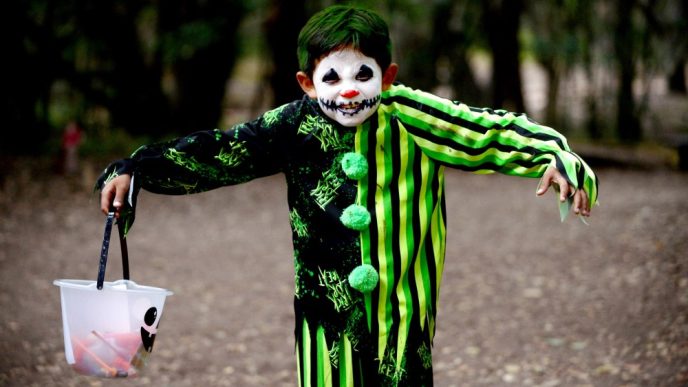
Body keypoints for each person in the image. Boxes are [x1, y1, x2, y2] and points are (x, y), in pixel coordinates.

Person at [97, 5, 598, 386]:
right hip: (323, 320)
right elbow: (220, 152)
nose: (350, 90)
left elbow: (491, 132)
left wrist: (555, 157)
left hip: (403, 314)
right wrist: (137, 169)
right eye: (331, 77)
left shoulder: (415, 117)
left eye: (364, 75)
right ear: (307, 84)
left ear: (389, 76)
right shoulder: (293, 126)